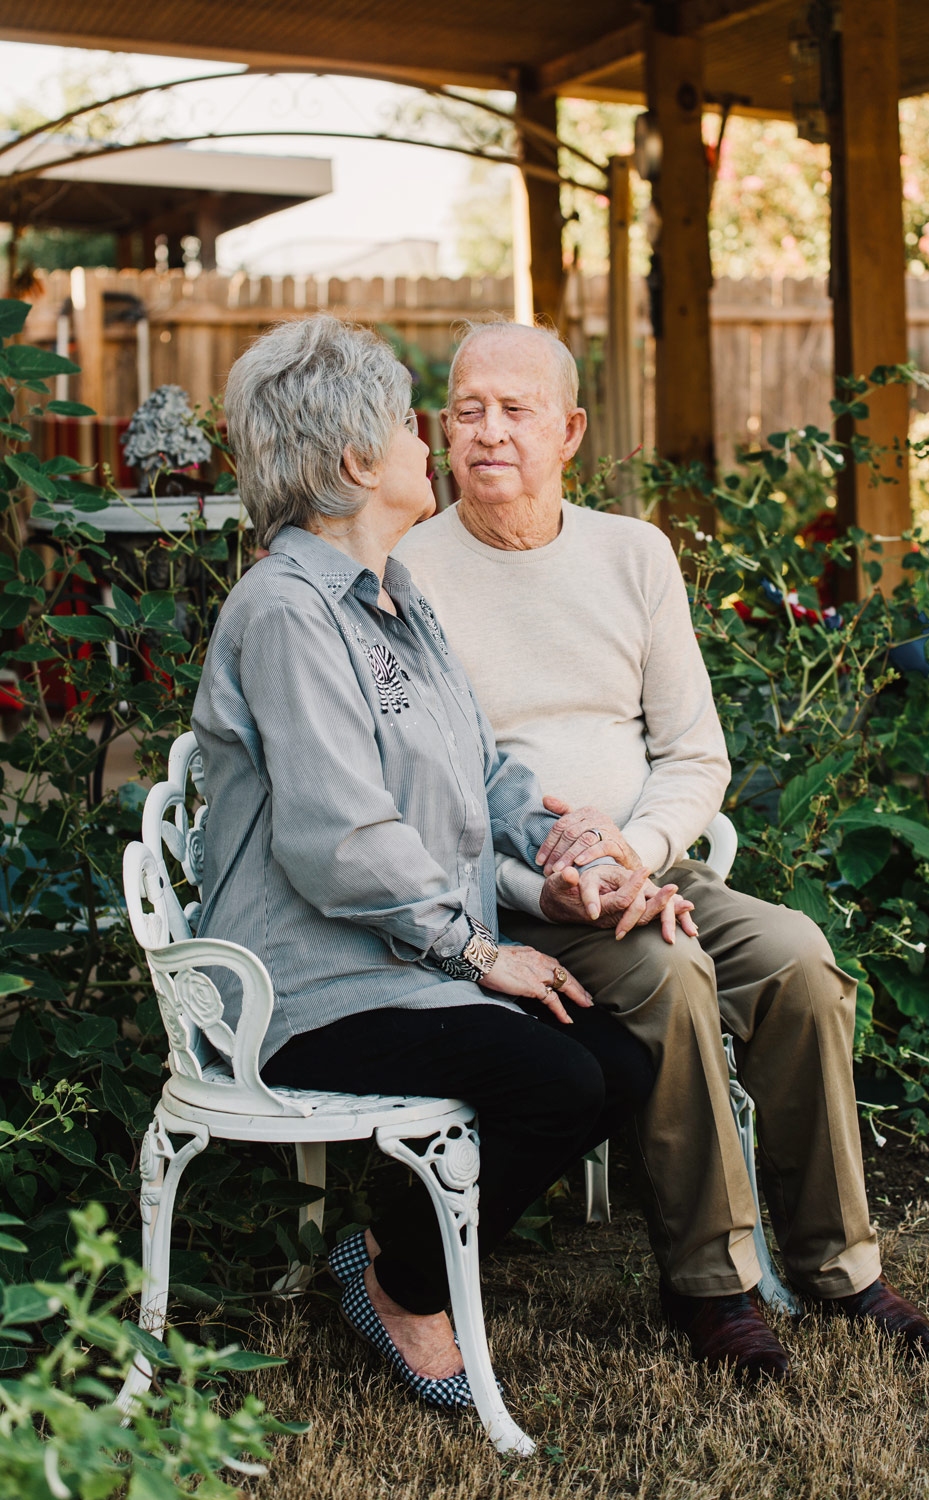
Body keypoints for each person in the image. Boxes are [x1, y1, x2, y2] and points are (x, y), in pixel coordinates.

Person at [395, 319, 929, 1381]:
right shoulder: (411, 574)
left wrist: (636, 858)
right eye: (467, 410)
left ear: (569, 432)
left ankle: (838, 1265)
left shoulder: (629, 555)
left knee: (798, 963)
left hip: (649, 869)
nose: (488, 432)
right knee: (671, 978)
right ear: (440, 429)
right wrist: (547, 886)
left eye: (516, 411)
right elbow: (425, 799)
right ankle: (710, 1286)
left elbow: (695, 754)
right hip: (508, 892)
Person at [191, 315, 656, 1409]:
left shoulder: (396, 596)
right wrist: (477, 952)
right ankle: (402, 1284)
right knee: (552, 1078)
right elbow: (339, 840)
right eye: (411, 419)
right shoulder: (286, 612)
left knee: (615, 1068)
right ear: (355, 463)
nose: (430, 436)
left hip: (393, 968)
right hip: (300, 987)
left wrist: (561, 845)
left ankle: (383, 1259)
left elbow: (477, 765)